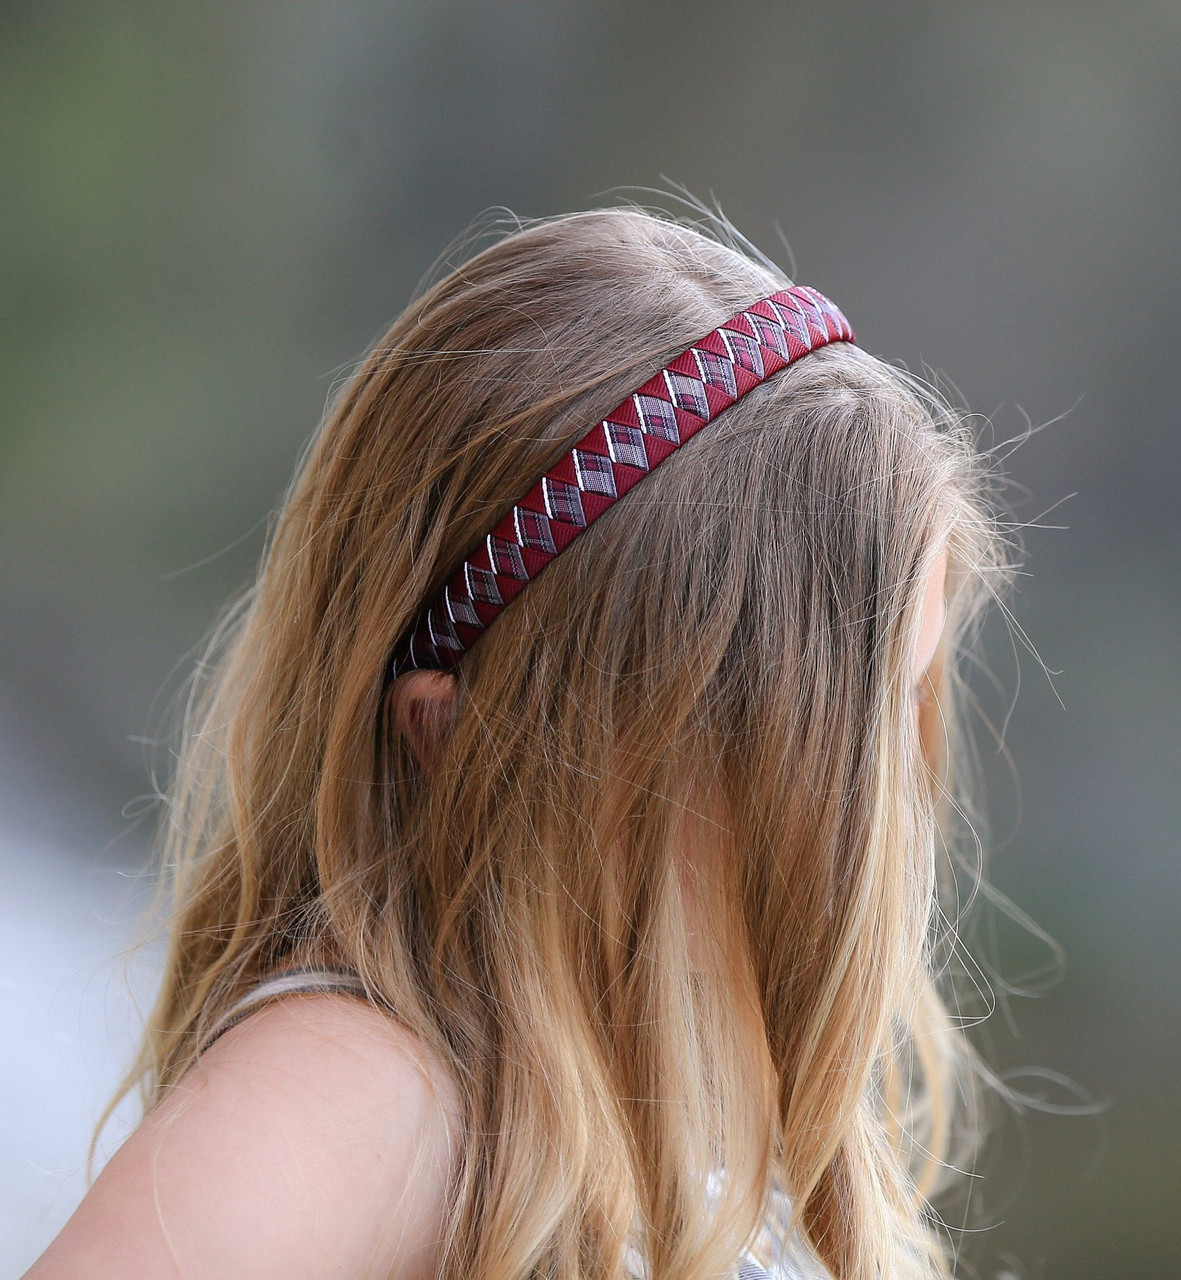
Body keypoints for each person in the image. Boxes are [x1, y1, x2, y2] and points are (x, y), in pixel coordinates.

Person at [26, 205, 1011, 1280]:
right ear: (457, 737)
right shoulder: (375, 1082)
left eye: (897, 710)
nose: (878, 824)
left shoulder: (665, 1099)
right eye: (805, 747)